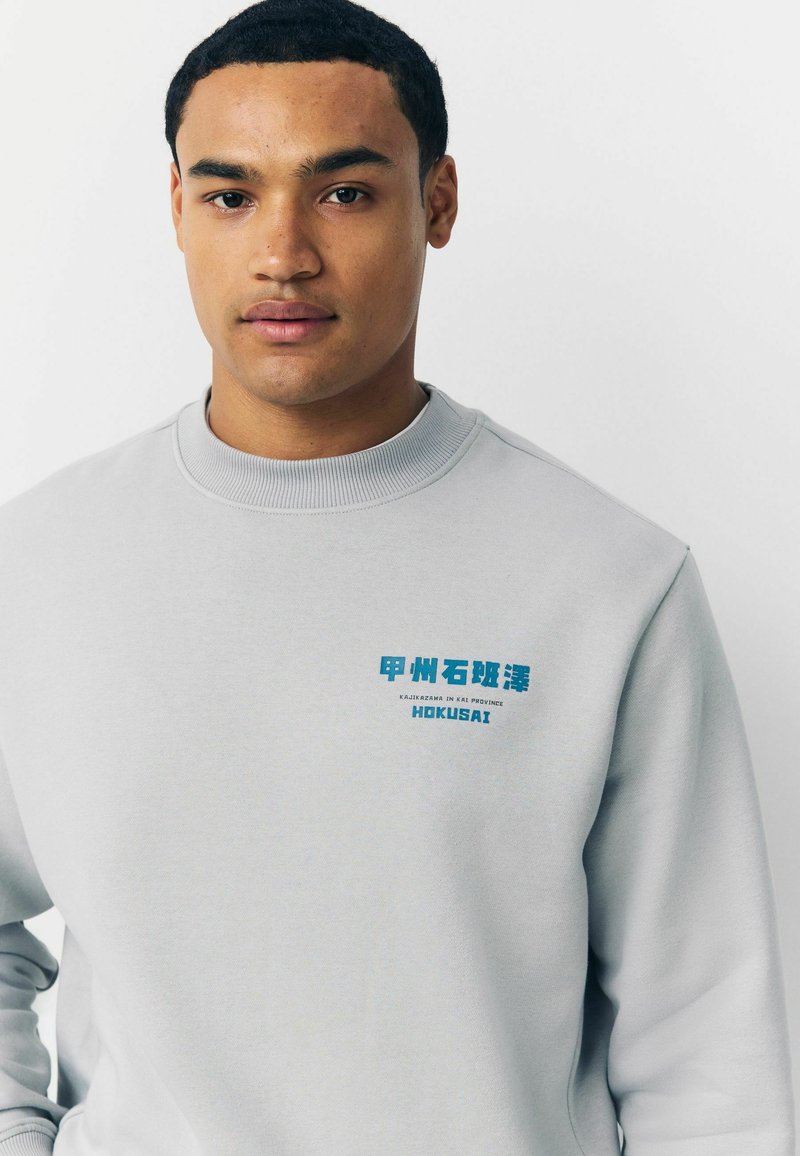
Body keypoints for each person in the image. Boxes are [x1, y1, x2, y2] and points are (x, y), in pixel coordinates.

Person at [0, 0, 794, 1151]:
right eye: (230, 196)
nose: (282, 253)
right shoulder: (38, 566)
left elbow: (706, 1055)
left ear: (438, 202)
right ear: (175, 209)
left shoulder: (609, 581)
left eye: (342, 192)